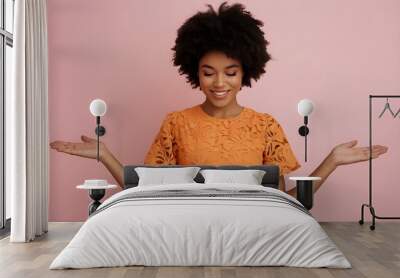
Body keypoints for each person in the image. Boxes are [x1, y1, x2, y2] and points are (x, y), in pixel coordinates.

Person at [50, 2, 388, 197]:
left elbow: (285, 201)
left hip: (252, 227)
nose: (220, 82)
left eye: (231, 71)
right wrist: (104, 155)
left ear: (245, 73)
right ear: (195, 72)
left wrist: (331, 161)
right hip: (186, 225)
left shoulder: (265, 126)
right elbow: (146, 190)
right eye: (208, 71)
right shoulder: (176, 123)